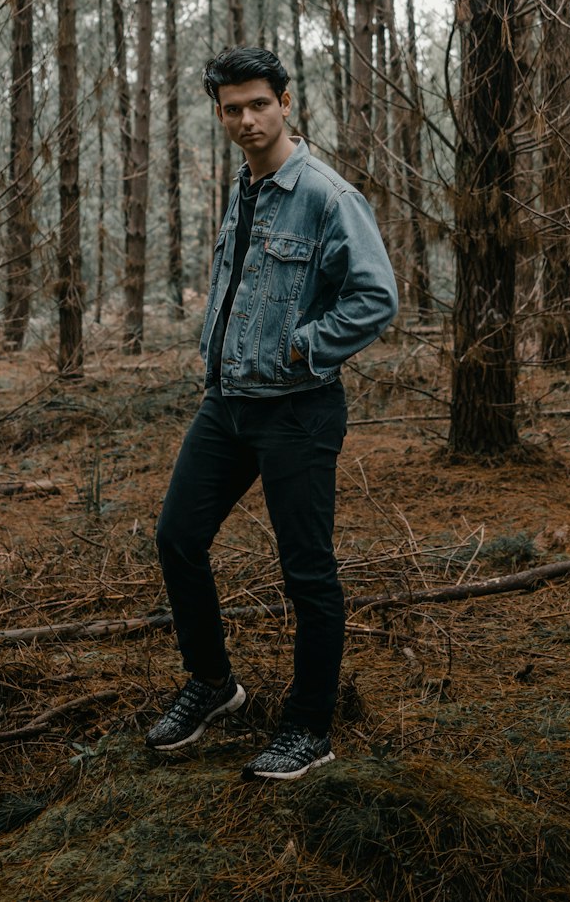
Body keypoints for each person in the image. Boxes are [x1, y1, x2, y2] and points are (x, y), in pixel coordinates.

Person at [147, 46, 398, 780]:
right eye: (233, 108)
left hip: (298, 410)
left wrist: (300, 350)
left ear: (286, 102)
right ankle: (213, 684)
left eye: (260, 103)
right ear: (220, 113)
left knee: (307, 573)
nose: (248, 119)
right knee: (177, 538)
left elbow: (375, 297)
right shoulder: (245, 188)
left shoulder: (327, 195)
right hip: (226, 405)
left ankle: (309, 727)